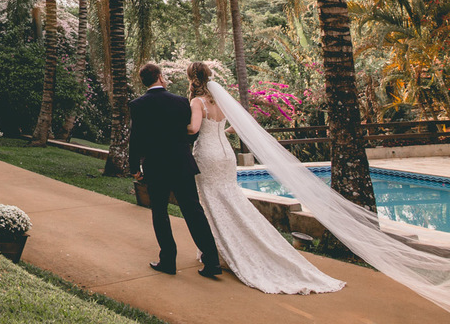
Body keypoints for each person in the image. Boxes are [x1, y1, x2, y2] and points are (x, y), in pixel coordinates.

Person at [185, 62, 344, 294]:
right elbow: (237, 126)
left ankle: (219, 253)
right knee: (231, 198)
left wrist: (182, 125)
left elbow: (193, 129)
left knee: (210, 202)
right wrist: (222, 130)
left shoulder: (197, 102)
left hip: (207, 156)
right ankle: (229, 249)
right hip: (226, 155)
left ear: (192, 78)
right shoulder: (220, 99)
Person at [128, 61, 222, 279]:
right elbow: (193, 133)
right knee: (193, 211)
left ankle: (168, 261)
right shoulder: (180, 101)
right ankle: (212, 262)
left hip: (156, 166)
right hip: (181, 163)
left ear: (144, 82)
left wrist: (135, 167)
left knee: (160, 213)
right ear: (160, 77)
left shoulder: (138, 105)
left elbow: (136, 139)